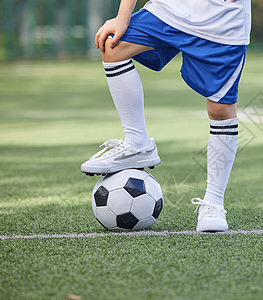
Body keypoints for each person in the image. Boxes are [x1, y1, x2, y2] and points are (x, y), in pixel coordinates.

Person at [81, 0, 251, 232]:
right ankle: (137, 143)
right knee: (113, 46)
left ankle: (213, 202)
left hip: (221, 20)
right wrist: (123, 16)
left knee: (220, 109)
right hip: (170, 8)